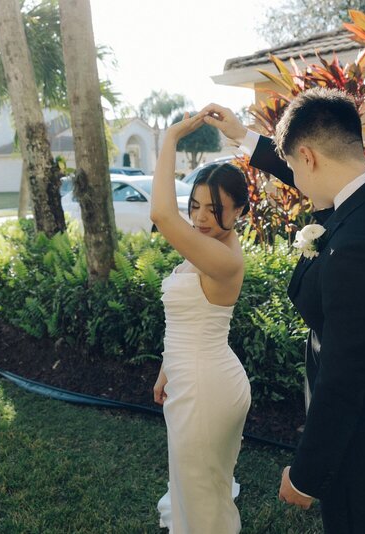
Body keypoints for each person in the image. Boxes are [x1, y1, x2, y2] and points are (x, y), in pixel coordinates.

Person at [202, 88, 365, 534]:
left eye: (293, 165)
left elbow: (346, 377)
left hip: (363, 437)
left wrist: (308, 473)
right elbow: (331, 180)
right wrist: (246, 138)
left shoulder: (359, 249)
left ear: (307, 156)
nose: (293, 176)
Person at [149, 112, 252, 533]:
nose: (201, 217)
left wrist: (171, 136)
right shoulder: (211, 245)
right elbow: (188, 318)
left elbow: (160, 213)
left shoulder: (224, 259)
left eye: (214, 208)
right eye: (194, 206)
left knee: (202, 494)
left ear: (239, 210)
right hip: (191, 379)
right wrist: (165, 369)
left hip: (208, 389)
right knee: (197, 486)